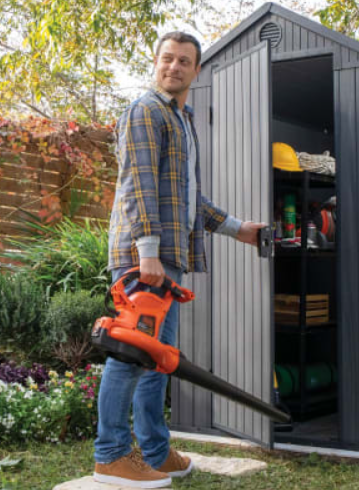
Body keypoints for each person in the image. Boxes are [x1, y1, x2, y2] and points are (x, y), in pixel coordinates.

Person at [93, 31, 264, 488]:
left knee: (158, 359)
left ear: (196, 70)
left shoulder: (182, 119)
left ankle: (153, 450)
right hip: (142, 257)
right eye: (167, 58)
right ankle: (110, 455)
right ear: (156, 62)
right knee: (130, 355)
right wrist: (147, 252)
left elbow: (187, 199)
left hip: (167, 257)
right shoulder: (146, 111)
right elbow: (138, 185)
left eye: (184, 61)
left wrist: (239, 228)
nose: (174, 67)